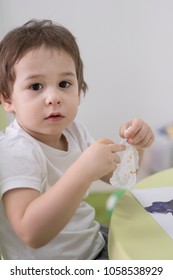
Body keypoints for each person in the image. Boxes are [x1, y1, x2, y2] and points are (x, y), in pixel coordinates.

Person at [0, 19, 154, 260]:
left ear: (79, 91)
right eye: (36, 86)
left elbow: (120, 177)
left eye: (64, 84)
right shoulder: (16, 151)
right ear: (7, 100)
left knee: (151, 240)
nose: (53, 97)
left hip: (90, 242)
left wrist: (136, 144)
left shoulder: (74, 131)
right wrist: (83, 171)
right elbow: (30, 232)